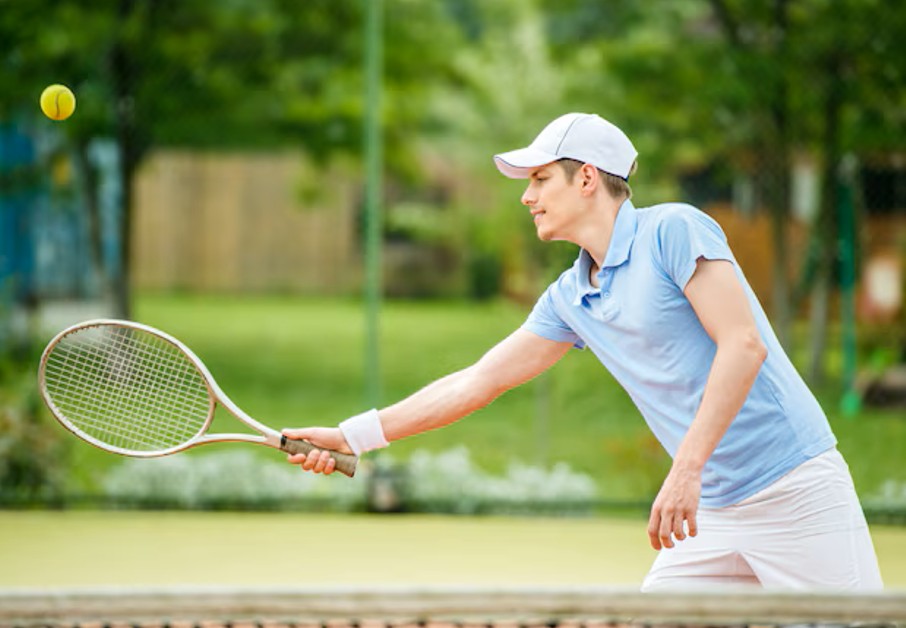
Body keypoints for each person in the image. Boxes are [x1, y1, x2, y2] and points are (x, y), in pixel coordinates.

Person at [283, 113, 883, 591]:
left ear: (588, 178)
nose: (527, 198)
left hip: (792, 487)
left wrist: (686, 468)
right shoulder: (571, 297)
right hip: (709, 510)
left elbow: (743, 344)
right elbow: (480, 380)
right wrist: (352, 435)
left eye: (541, 179)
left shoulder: (674, 230)